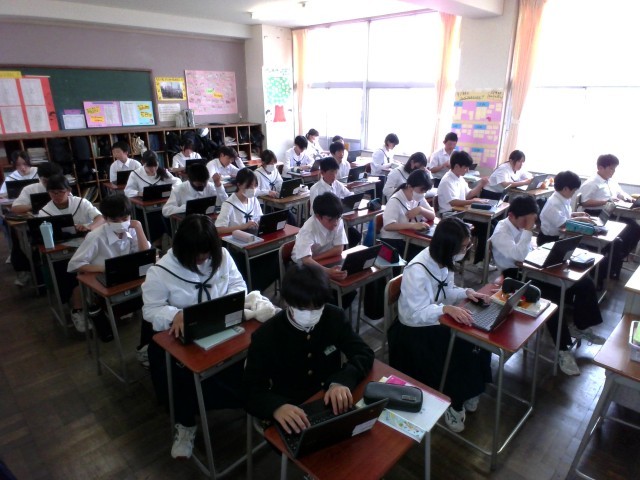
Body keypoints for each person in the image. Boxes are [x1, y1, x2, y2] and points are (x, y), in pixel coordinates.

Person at [142, 215, 246, 459]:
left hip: (220, 326)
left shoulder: (222, 256)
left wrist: (224, 305)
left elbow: (239, 285)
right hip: (181, 336)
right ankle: (185, 423)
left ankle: (243, 400)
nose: (203, 260)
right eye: (197, 255)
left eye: (207, 254)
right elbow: (151, 310)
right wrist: (175, 314)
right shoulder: (160, 271)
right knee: (179, 371)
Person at [388, 217, 492, 433]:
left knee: (479, 339)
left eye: (467, 246)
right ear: (448, 246)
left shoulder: (445, 260)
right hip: (412, 331)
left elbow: (447, 290)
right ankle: (455, 403)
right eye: (463, 247)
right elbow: (415, 314)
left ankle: (472, 390)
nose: (466, 251)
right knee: (461, 347)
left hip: (436, 319)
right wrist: (445, 310)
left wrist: (467, 293)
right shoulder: (417, 270)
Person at [243, 263, 374, 432]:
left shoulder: (334, 316)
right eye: (303, 309)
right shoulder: (267, 335)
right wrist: (277, 407)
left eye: (317, 308)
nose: (311, 314)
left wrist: (341, 381)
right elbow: (250, 390)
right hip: (293, 409)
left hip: (331, 402)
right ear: (288, 302)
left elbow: (363, 353)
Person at [491, 193, 605, 376]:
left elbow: (528, 249)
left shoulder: (520, 224)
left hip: (532, 269)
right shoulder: (501, 232)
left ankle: (581, 327)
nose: (529, 224)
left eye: (531, 220)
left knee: (584, 283)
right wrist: (528, 230)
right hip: (513, 278)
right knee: (551, 301)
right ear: (511, 215)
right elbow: (519, 256)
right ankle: (563, 349)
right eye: (525, 220)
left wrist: (539, 250)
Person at [66, 195, 150, 333]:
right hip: (104, 277)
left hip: (126, 274)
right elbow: (74, 264)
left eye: (125, 219)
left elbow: (145, 255)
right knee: (124, 301)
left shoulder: (131, 228)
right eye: (115, 220)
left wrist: (139, 227)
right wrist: (104, 268)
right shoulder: (95, 236)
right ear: (105, 218)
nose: (121, 223)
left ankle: (128, 306)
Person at [578, 154, 640, 278]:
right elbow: (584, 202)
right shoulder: (591, 182)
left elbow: (620, 193)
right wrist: (606, 201)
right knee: (624, 234)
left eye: (614, 168)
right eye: (611, 168)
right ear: (600, 167)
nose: (613, 171)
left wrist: (629, 199)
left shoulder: (611, 181)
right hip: (595, 214)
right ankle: (611, 260)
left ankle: (618, 257)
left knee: (636, 228)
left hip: (610, 212)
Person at [9, 162, 62, 287]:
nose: (49, 185)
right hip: (39, 225)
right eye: (45, 181)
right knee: (18, 237)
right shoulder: (31, 189)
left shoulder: (63, 187)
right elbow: (15, 208)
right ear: (40, 178)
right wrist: (34, 205)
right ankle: (32, 274)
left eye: (52, 181)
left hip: (60, 223)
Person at [437, 150, 490, 265]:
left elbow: (469, 194)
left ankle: (479, 260)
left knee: (490, 225)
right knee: (485, 228)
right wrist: (472, 201)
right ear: (456, 166)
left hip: (460, 214)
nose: (467, 170)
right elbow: (453, 202)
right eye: (465, 167)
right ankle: (477, 261)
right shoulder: (447, 180)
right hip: (450, 217)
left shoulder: (459, 178)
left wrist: (481, 185)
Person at [292, 192, 348, 282]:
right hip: (301, 266)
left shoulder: (337, 220)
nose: (335, 223)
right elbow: (305, 260)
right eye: (330, 219)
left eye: (337, 218)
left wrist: (315, 259)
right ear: (318, 216)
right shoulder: (308, 229)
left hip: (322, 259)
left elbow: (339, 249)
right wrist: (328, 272)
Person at [380, 169, 435, 261]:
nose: (423, 194)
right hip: (393, 241)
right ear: (410, 187)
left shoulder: (418, 197)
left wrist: (421, 209)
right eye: (421, 190)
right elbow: (388, 226)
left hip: (409, 238)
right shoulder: (395, 200)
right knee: (424, 257)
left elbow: (432, 216)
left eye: (425, 191)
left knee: (430, 252)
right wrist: (413, 225)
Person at [308, 157, 361, 247]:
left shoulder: (337, 184)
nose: (334, 176)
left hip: (337, 221)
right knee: (348, 238)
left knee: (356, 236)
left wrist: (352, 200)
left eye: (336, 172)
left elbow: (349, 194)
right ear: (322, 173)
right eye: (331, 173)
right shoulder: (316, 189)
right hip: (324, 224)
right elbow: (314, 212)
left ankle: (342, 251)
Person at [162, 163, 228, 217]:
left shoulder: (209, 186)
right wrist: (185, 208)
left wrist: (218, 185)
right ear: (190, 180)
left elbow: (224, 203)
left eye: (204, 183)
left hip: (208, 221)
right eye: (199, 184)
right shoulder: (179, 190)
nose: (203, 185)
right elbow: (165, 210)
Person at [215, 168, 262, 235]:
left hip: (253, 235)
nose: (253, 189)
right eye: (249, 186)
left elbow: (259, 218)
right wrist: (243, 227)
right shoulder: (228, 204)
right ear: (239, 185)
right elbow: (219, 229)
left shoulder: (254, 200)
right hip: (235, 237)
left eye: (255, 186)